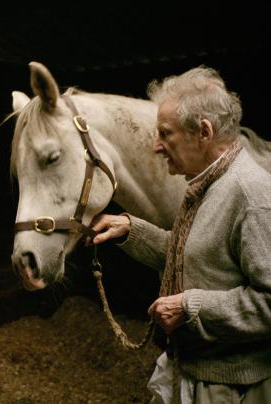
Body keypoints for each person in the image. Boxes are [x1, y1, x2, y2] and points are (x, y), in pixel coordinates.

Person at [90, 66, 271, 403]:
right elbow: (196, 256)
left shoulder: (251, 196)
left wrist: (191, 306)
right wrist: (131, 230)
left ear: (204, 131)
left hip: (230, 389)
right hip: (194, 371)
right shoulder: (209, 184)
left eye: (165, 133)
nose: (157, 147)